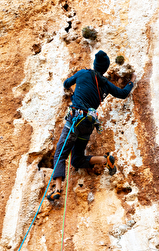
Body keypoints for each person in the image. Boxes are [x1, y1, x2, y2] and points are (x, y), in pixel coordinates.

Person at [47, 50, 136, 202]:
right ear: (105, 69)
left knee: (60, 154)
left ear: (95, 65)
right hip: (88, 124)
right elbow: (122, 93)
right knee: (76, 160)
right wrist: (132, 80)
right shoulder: (106, 84)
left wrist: (76, 91)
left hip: (75, 119)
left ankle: (57, 189)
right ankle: (104, 159)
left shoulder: (83, 73)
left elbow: (66, 84)